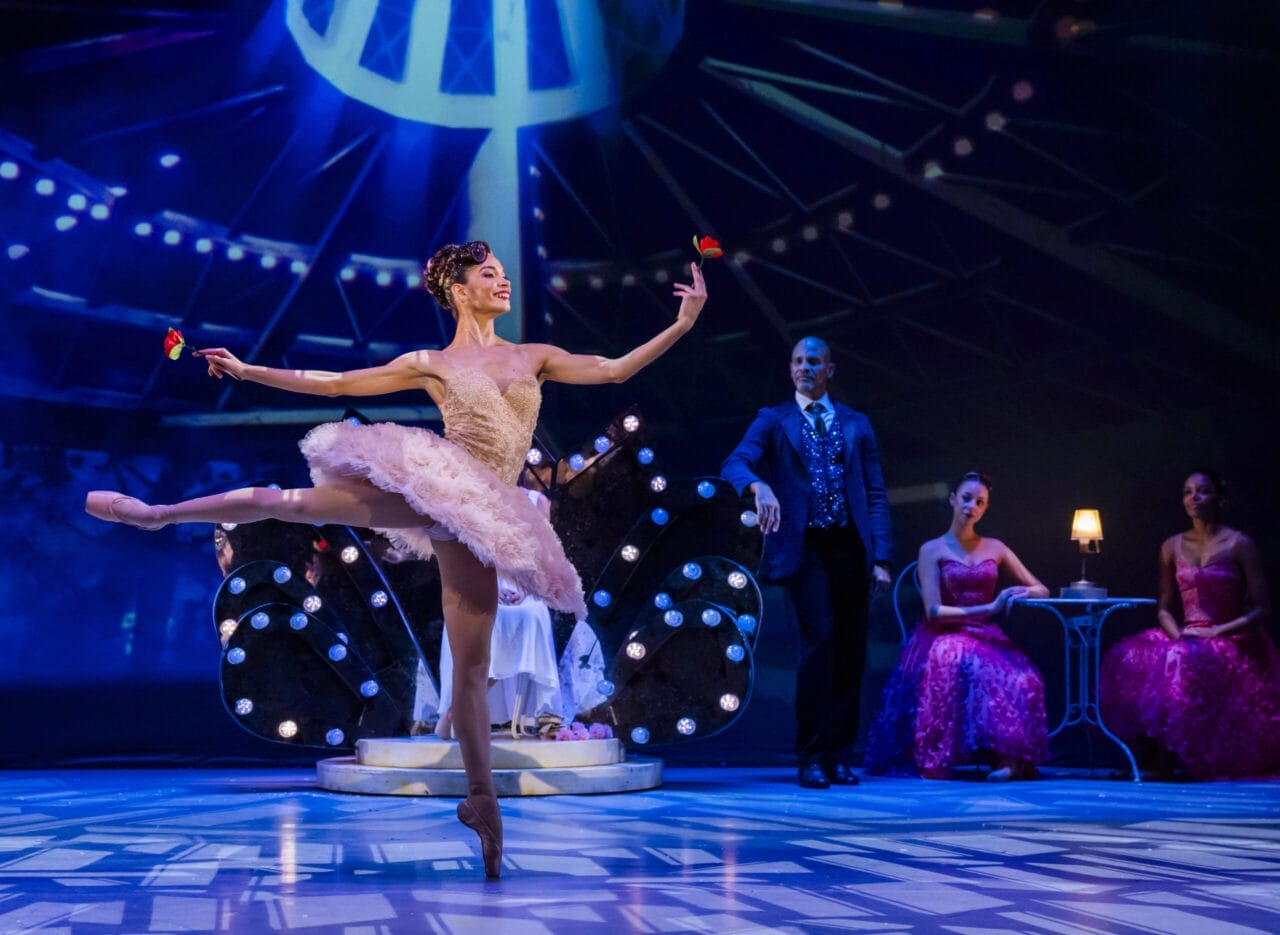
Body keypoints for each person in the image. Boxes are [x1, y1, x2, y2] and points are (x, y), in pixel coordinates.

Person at [84, 241, 707, 878]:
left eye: (503, 273)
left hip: (486, 512)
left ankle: (483, 803)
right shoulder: (431, 362)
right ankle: (157, 514)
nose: (504, 281)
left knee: (471, 668)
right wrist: (248, 372)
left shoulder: (534, 356)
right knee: (292, 502)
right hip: (435, 479)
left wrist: (681, 324)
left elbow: (613, 370)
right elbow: (335, 384)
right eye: (489, 274)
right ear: (459, 290)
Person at [721, 336, 893, 789]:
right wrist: (758, 486)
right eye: (797, 361)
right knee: (820, 644)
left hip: (852, 549)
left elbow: (875, 494)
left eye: (813, 361)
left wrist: (882, 558)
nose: (804, 368)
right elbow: (735, 463)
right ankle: (812, 756)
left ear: (829, 369)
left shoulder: (856, 423)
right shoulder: (774, 420)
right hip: (806, 549)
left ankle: (840, 755)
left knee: (852, 653)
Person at [863, 471, 1050, 781]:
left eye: (980, 502)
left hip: (984, 635)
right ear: (952, 500)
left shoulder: (995, 547)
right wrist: (990, 607)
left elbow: (1041, 589)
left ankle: (1011, 759)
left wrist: (1020, 591)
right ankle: (968, 758)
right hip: (942, 634)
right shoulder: (932, 549)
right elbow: (933, 611)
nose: (971, 507)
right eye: (966, 499)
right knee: (974, 666)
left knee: (1024, 677)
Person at [1100, 469, 1280, 780]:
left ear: (1219, 497)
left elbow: (1263, 608)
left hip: (1230, 636)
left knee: (1178, 659)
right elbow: (1165, 607)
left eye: (1202, 491)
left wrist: (1216, 632)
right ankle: (1152, 755)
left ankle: (1165, 760)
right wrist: (1178, 635)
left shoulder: (1239, 544)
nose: (1193, 497)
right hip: (1187, 635)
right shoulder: (1171, 546)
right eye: (1187, 492)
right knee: (1131, 656)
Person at [436, 471, 564, 740]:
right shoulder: (470, 502)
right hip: (483, 584)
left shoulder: (537, 501)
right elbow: (466, 557)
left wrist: (529, 590)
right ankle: (458, 708)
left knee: (531, 615)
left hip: (525, 588)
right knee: (484, 620)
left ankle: (543, 715)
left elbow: (544, 556)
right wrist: (491, 589)